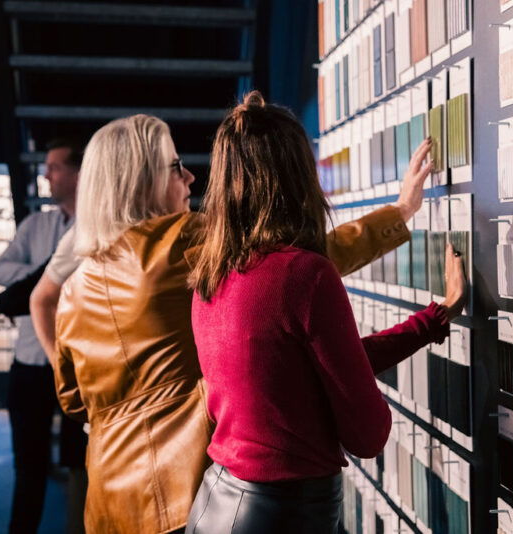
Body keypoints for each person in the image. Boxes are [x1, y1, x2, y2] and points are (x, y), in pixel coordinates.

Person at [50, 113, 433, 534]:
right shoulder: (182, 244)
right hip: (183, 492)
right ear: (140, 181)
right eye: (176, 166)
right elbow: (296, 262)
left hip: (108, 501)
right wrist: (399, 212)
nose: (191, 178)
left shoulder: (74, 288)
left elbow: (71, 400)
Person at [185, 92, 467, 534]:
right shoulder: (303, 274)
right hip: (288, 514)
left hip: (216, 504)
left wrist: (431, 321)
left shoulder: (211, 277)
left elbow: (309, 369)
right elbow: (368, 434)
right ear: (299, 175)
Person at [0, 138, 88, 534]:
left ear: (78, 174)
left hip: (77, 365)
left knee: (81, 467)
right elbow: (0, 271)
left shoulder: (95, 228)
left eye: (55, 167)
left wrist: (37, 279)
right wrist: (44, 279)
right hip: (30, 362)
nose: (46, 174)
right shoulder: (35, 224)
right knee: (27, 469)